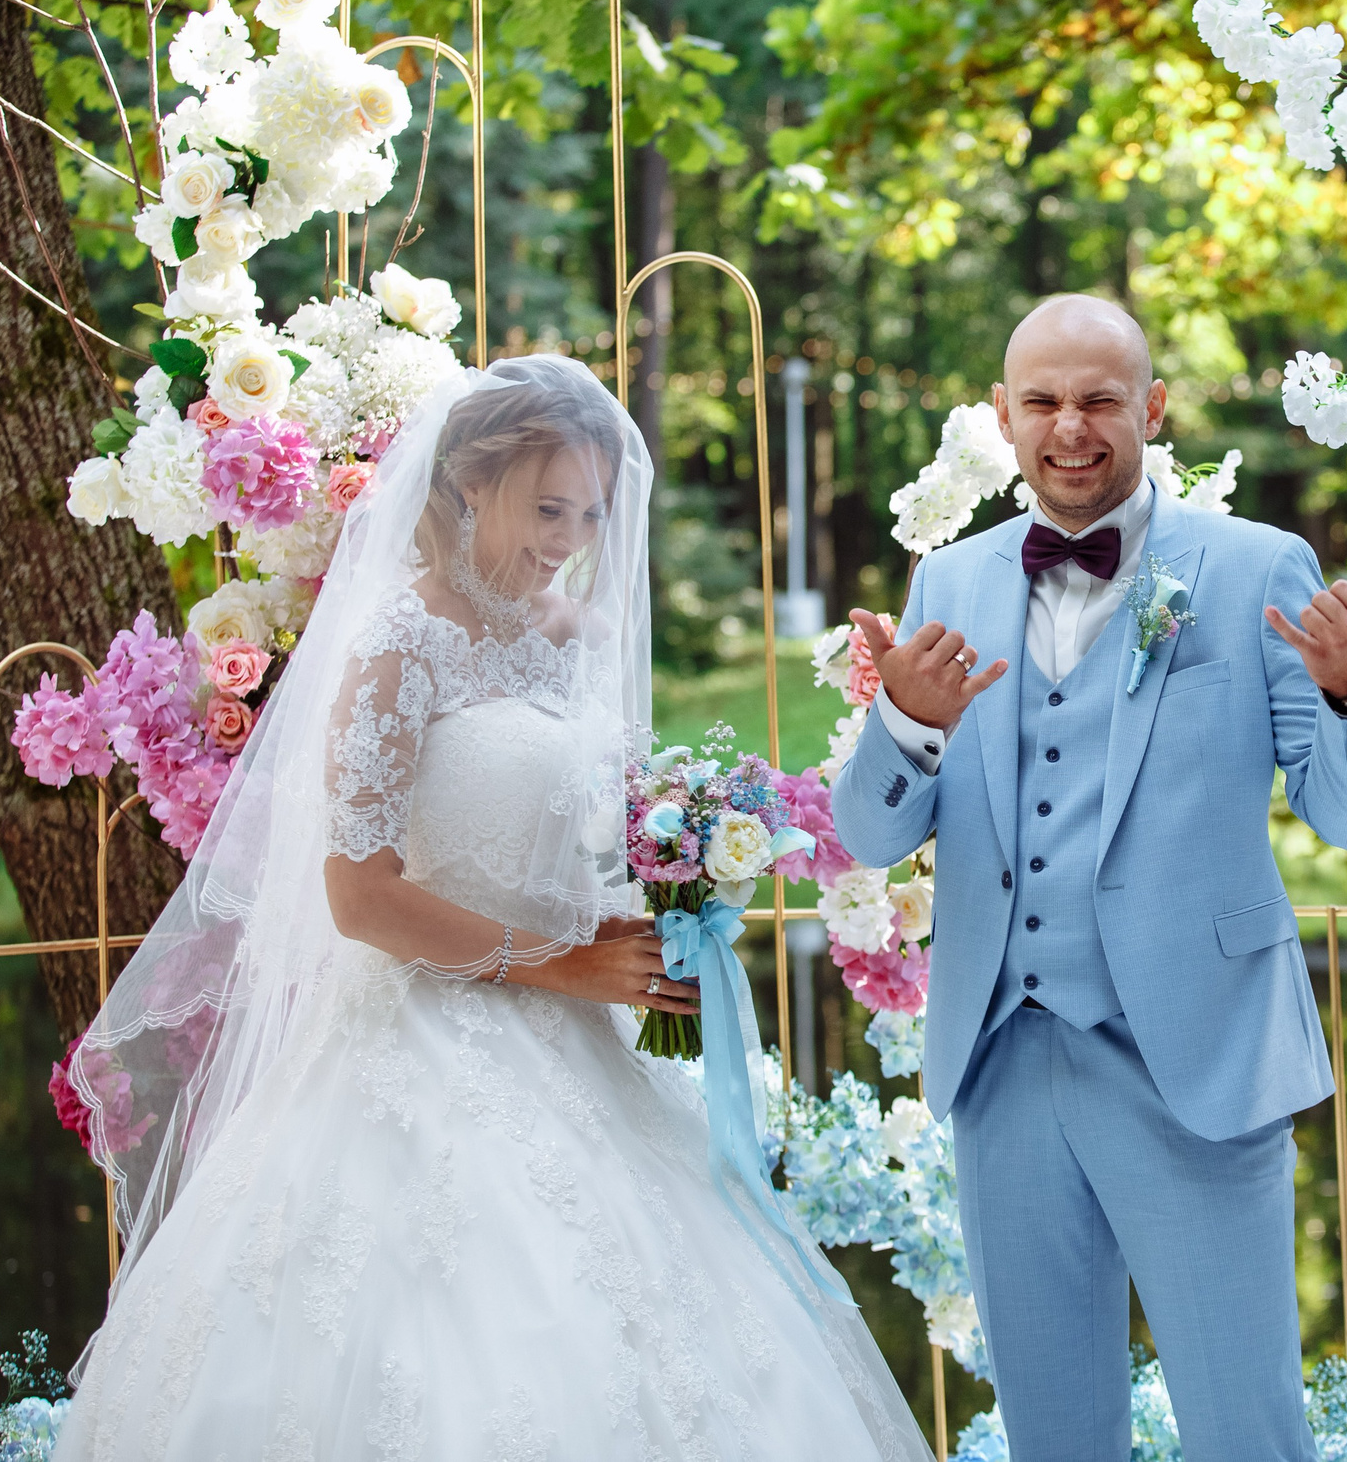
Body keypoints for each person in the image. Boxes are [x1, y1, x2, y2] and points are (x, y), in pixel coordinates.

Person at [53, 356, 930, 1462]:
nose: (569, 537)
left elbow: (579, 836)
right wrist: (552, 960)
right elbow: (360, 896)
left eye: (590, 513)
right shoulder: (395, 646)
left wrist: (658, 899)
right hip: (418, 1035)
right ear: (472, 484)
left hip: (585, 1039)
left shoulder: (579, 638)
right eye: (547, 505)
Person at [832, 296, 1347, 1462]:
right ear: (1003, 417)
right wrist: (903, 721)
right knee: (1053, 1434)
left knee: (1245, 1429)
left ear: (1150, 407)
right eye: (1043, 401)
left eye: (1100, 399)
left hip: (1196, 1058)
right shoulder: (946, 582)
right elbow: (864, 837)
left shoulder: (1256, 565)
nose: (1071, 427)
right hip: (1004, 1058)